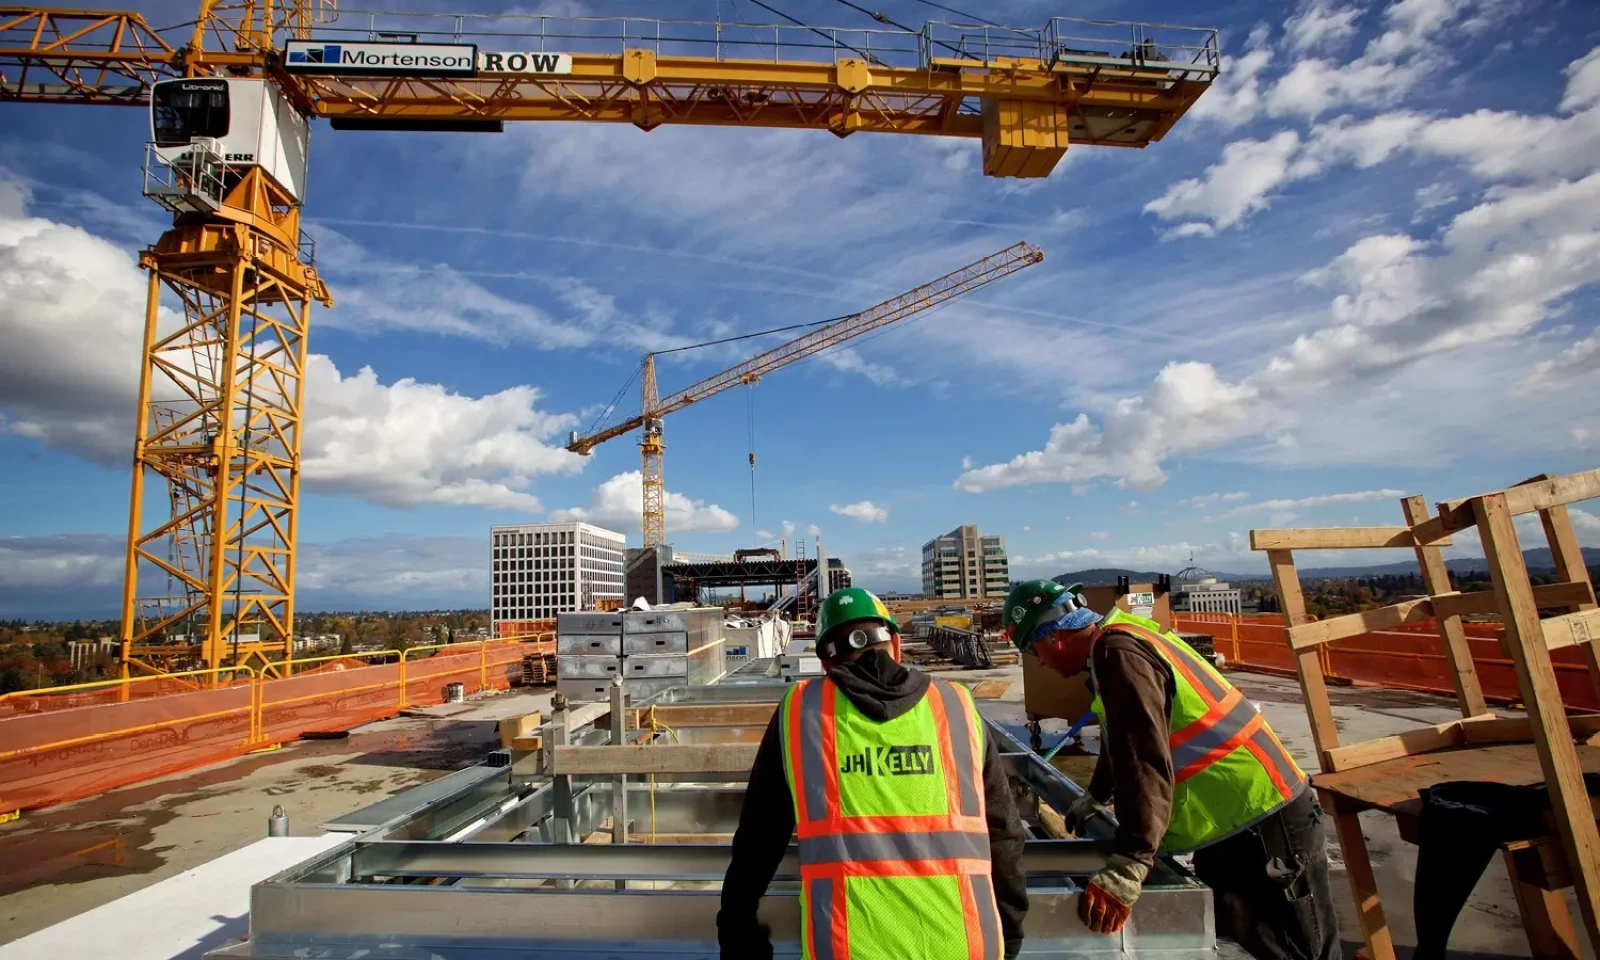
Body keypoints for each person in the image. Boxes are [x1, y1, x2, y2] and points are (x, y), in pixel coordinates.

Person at [1004, 579, 1339, 960]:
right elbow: (1125, 738)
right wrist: (1098, 793)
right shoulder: (1119, 641)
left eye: (1034, 652)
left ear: (1054, 638)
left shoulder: (1117, 653)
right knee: (1247, 943)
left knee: (1294, 950)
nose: (1041, 663)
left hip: (1263, 819)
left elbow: (1144, 757)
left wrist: (1131, 861)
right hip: (1232, 821)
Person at [718, 586, 1030, 959]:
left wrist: (737, 927)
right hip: (965, 944)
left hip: (848, 948)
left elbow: (759, 837)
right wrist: (1009, 934)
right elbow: (1004, 833)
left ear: (826, 664)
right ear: (895, 644)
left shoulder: (801, 712)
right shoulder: (957, 706)